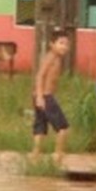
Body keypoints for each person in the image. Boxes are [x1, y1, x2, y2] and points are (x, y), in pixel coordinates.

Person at [31, 31, 72, 164]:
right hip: (45, 96)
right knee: (63, 128)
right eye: (61, 43)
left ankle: (35, 158)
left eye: (66, 44)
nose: (64, 47)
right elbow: (40, 76)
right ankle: (57, 157)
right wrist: (40, 96)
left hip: (42, 96)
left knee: (40, 128)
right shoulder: (51, 57)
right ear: (51, 44)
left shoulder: (56, 58)